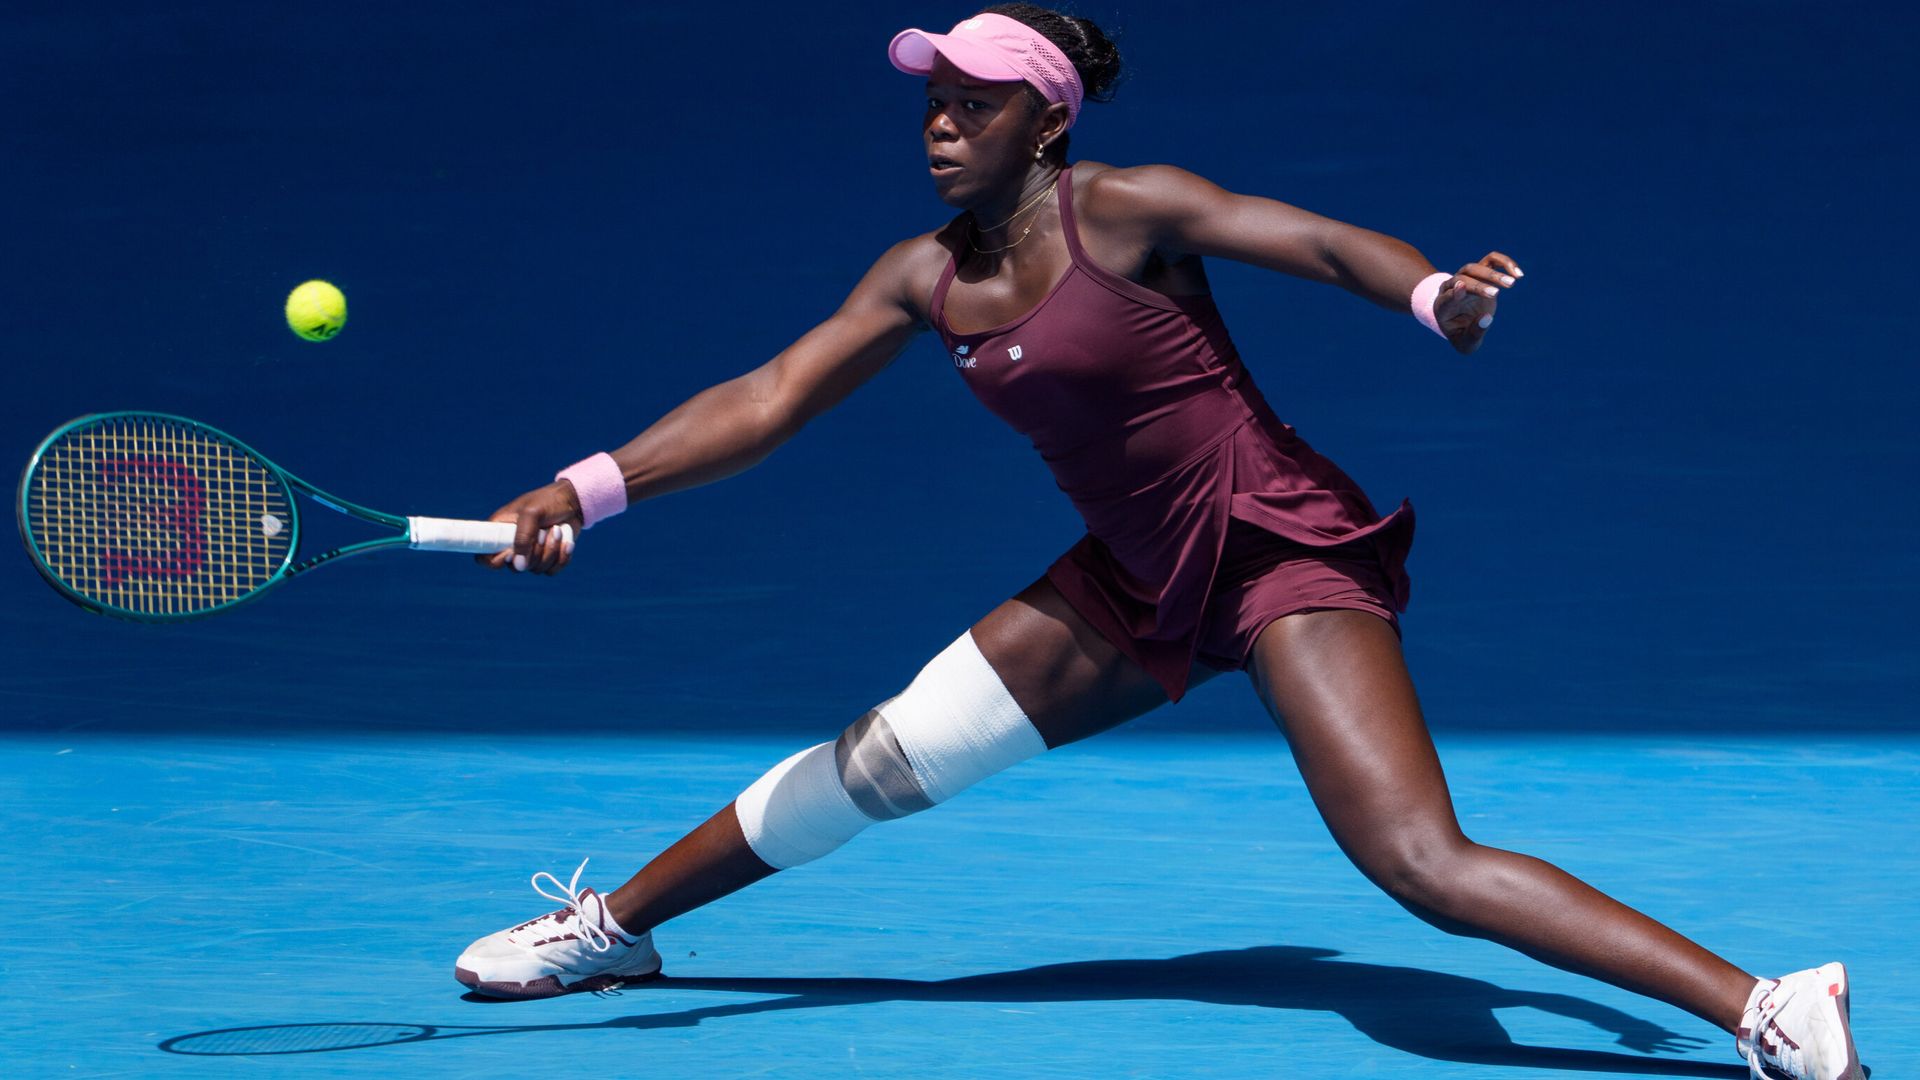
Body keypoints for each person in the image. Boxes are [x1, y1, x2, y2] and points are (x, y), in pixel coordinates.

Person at [451, 8, 1863, 1078]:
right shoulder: (922, 275)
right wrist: (582, 490)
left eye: (974, 103)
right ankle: (615, 929)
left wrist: (1435, 294)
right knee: (876, 761)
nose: (940, 124)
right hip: (1131, 579)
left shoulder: (1123, 210)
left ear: (1044, 125)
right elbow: (770, 398)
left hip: (1275, 550)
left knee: (1417, 861)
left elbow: (1311, 241)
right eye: (933, 101)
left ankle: (1767, 1007)